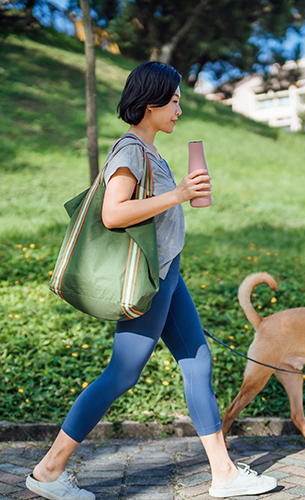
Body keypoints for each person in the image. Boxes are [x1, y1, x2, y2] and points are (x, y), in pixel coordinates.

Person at [26, 61, 277, 500]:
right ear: (149, 103)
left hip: (167, 271)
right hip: (150, 277)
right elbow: (113, 212)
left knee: (198, 362)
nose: (179, 109)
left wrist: (182, 196)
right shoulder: (129, 150)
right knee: (121, 373)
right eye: (174, 100)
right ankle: (49, 470)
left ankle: (224, 474)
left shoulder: (152, 151)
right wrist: (178, 194)